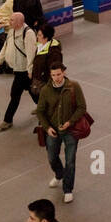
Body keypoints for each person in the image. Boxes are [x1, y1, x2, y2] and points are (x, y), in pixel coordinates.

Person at [36, 63, 87, 203]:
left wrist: (70, 122)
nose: (56, 78)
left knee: (70, 161)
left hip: (70, 130)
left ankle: (68, 189)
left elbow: (82, 107)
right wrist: (47, 128)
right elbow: (39, 111)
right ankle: (59, 174)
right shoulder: (46, 90)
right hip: (53, 130)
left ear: (63, 72)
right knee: (52, 157)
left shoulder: (74, 87)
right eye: (53, 75)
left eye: (58, 74)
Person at [0, 12, 35, 132]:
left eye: (11, 20)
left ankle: (7, 120)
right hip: (17, 69)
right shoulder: (12, 31)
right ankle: (43, 107)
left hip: (23, 70)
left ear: (19, 22)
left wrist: (30, 70)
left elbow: (31, 54)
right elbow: (6, 46)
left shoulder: (28, 33)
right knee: (32, 91)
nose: (9, 22)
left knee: (15, 95)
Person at [29, 23, 63, 102]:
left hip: (46, 81)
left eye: (40, 35)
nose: (37, 37)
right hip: (38, 78)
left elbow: (54, 70)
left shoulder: (54, 52)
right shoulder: (39, 46)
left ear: (46, 37)